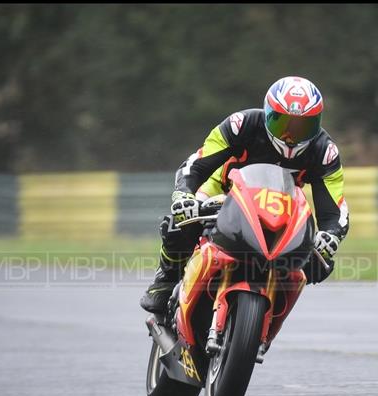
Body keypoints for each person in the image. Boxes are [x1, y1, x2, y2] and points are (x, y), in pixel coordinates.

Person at [140, 76, 348, 314]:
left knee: (319, 264)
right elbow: (197, 163)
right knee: (180, 223)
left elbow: (335, 208)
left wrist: (330, 235)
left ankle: (267, 317)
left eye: (303, 127)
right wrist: (184, 194)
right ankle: (164, 282)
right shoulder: (242, 124)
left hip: (278, 210)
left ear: (317, 122)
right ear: (269, 113)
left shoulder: (324, 151)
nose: (291, 136)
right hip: (221, 193)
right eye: (283, 124)